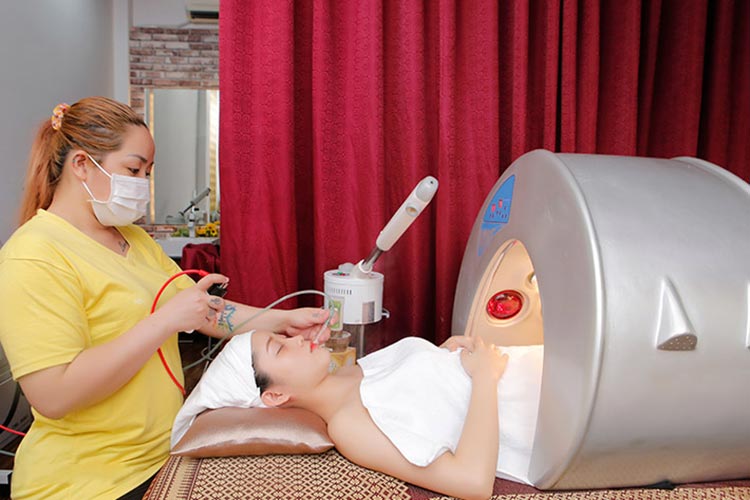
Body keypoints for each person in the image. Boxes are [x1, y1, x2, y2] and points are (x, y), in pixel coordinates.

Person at [0, 97, 331, 500]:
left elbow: (201, 311)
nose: (142, 183)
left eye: (148, 172)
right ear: (82, 165)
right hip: (90, 481)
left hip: (163, 453)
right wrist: (163, 322)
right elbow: (54, 394)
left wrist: (282, 321)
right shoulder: (35, 254)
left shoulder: (132, 239)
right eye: (133, 169)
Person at [176, 329, 543, 500]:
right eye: (281, 348)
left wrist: (444, 357)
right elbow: (472, 483)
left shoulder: (355, 369)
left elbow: (424, 399)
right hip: (540, 409)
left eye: (282, 336)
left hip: (531, 367)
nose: (297, 339)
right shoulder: (349, 426)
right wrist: (483, 377)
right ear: (275, 395)